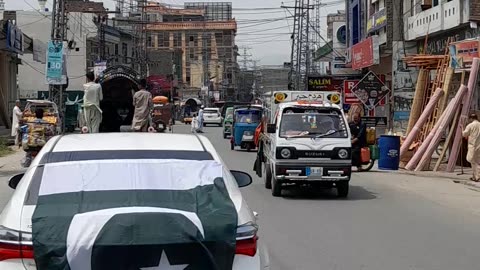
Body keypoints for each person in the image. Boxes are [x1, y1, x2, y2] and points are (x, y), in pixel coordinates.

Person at [462, 113, 480, 182]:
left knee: (470, 159)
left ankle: (478, 176)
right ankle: (474, 176)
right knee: (476, 161)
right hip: (479, 145)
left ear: (471, 119)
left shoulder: (470, 125)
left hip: (473, 145)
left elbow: (464, 134)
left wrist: (462, 129)